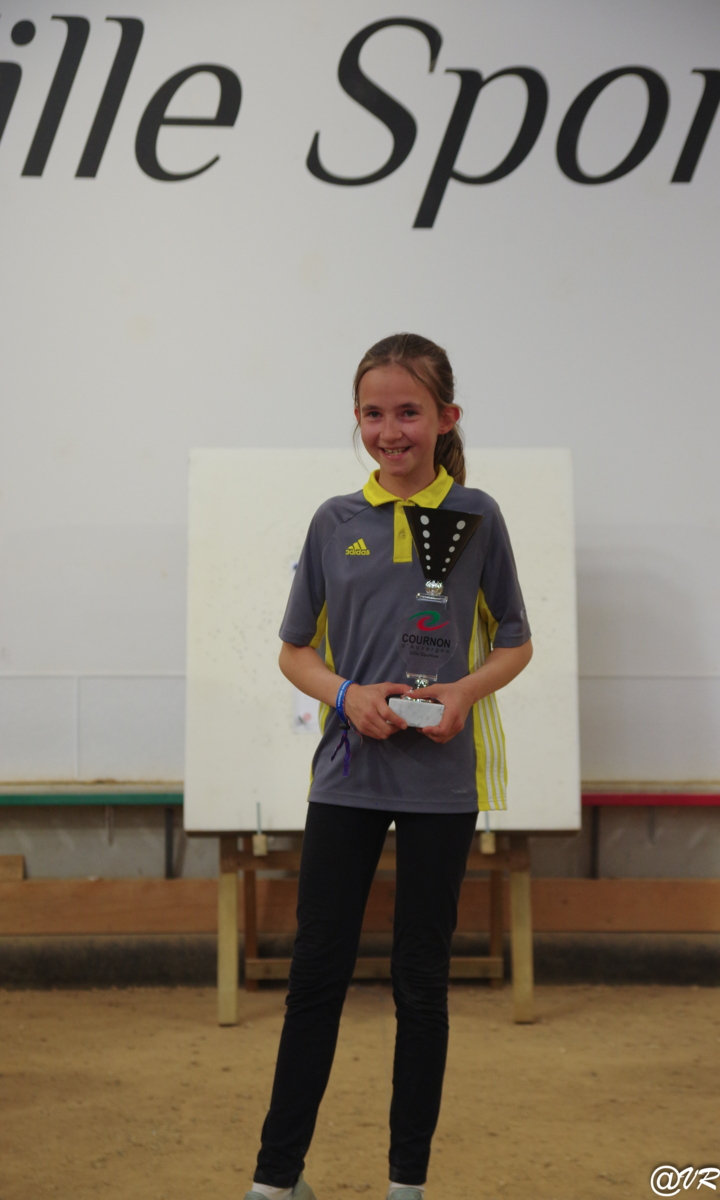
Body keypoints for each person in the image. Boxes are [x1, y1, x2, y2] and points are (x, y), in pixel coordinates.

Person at [245, 333, 533, 1200]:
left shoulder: (477, 516)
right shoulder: (335, 522)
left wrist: (464, 693)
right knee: (315, 977)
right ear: (357, 419)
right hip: (347, 779)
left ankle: (408, 1184)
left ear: (446, 418)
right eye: (373, 413)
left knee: (421, 983)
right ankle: (276, 1180)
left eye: (409, 411)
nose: (390, 430)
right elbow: (294, 651)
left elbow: (515, 642)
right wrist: (347, 695)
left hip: (442, 785)